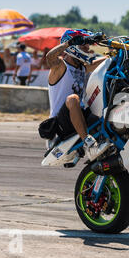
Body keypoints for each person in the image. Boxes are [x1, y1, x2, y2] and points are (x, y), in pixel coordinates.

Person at [46, 29, 108, 161]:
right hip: (60, 124)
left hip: (77, 117)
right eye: (83, 45)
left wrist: (115, 52)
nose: (87, 48)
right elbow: (49, 57)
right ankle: (87, 142)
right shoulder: (61, 66)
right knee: (73, 99)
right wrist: (67, 44)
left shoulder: (82, 68)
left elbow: (105, 61)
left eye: (87, 45)